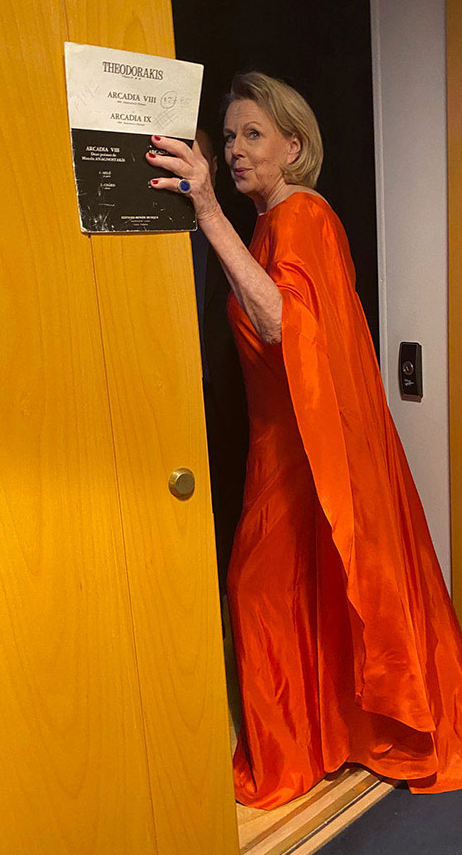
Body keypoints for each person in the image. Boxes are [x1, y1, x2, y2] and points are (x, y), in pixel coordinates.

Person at [146, 71, 462, 810]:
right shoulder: (269, 223)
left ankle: (311, 746)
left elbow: (283, 325)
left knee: (263, 592)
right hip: (283, 446)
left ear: (294, 146)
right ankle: (316, 741)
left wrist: (206, 208)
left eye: (254, 133)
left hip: (309, 449)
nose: (236, 149)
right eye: (230, 135)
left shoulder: (303, 214)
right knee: (283, 594)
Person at [190, 129, 248, 602]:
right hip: (168, 400)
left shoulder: (241, 230)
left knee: (228, 519)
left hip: (227, 406)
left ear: (211, 167)